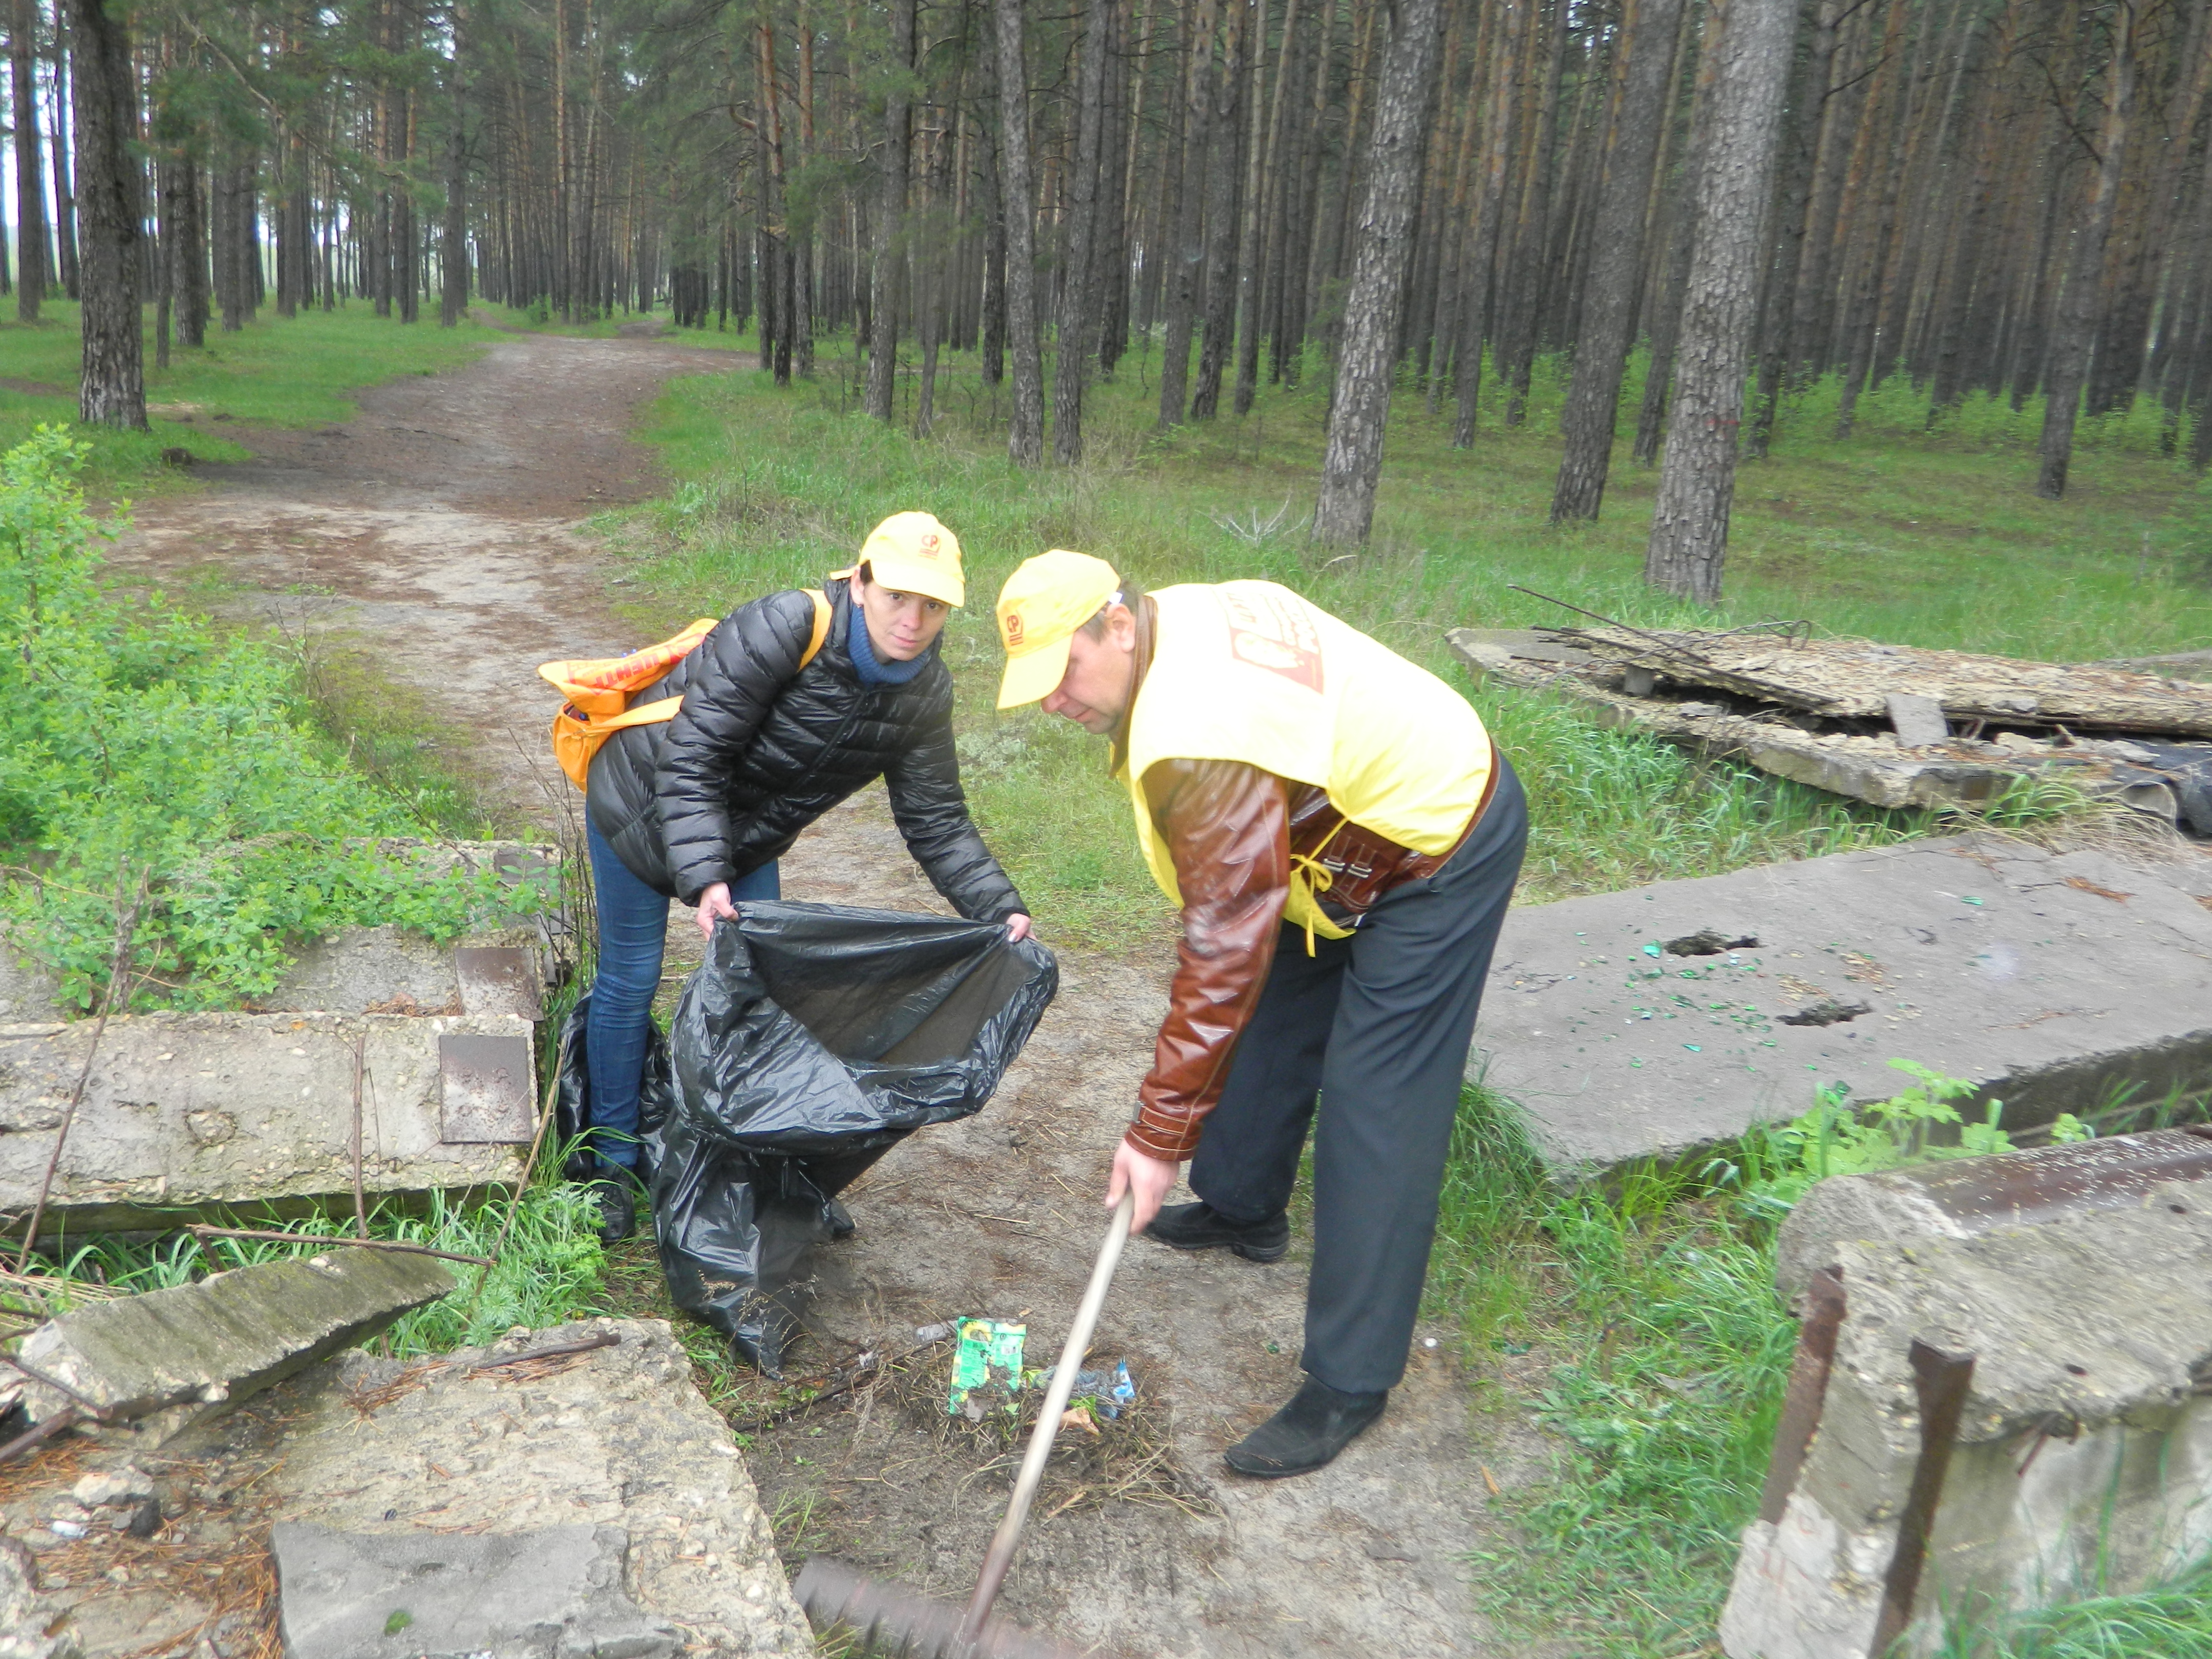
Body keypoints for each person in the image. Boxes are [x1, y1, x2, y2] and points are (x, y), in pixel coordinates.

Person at [993, 551, 1527, 1478]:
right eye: (1035, 684)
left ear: (1119, 624)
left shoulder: (1199, 725)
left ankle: (1349, 1382)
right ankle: (1244, 1208)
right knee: (1278, 1002)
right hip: (1326, 840)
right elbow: (1244, 915)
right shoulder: (1172, 624)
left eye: (1064, 672)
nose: (1054, 704)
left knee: (1378, 1101)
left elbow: (1225, 932)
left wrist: (1157, 1136)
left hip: (1435, 839)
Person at [581, 512, 1032, 1240]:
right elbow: (691, 756)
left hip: (747, 831)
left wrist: (997, 906)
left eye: (933, 605)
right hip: (639, 797)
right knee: (631, 979)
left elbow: (936, 818)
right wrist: (705, 879)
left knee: (767, 989)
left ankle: (762, 1163)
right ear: (860, 583)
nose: (913, 621)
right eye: (896, 598)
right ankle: (610, 1161)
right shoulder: (788, 625)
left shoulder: (924, 692)